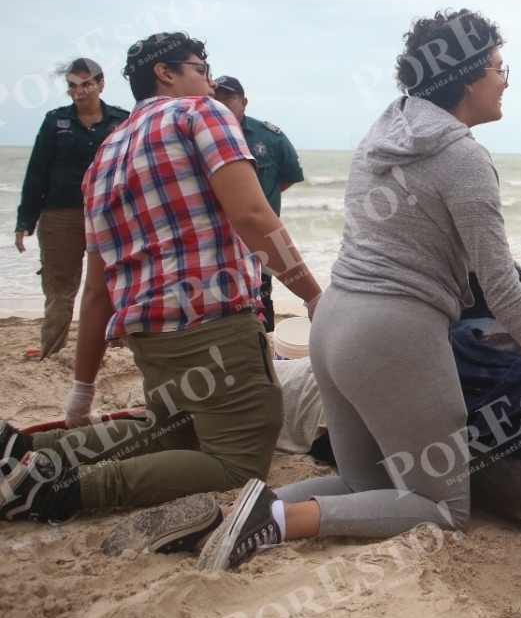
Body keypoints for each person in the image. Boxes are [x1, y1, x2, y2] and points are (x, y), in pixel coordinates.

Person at [188, 10, 521, 572]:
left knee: (370, 486)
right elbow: (501, 287)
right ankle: (279, 521)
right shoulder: (463, 157)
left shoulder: (385, 128)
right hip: (394, 338)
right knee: (440, 508)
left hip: (333, 322)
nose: (505, 79)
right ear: (465, 78)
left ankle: (219, 521)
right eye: (497, 67)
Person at [1, 31, 324, 526]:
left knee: (172, 433)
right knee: (237, 461)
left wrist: (82, 389)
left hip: (150, 341)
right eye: (201, 68)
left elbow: (97, 289)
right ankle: (53, 492)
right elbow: (254, 218)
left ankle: (24, 448)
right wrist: (312, 294)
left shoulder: (103, 157)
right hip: (214, 328)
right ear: (165, 73)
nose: (210, 81)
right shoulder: (200, 113)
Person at [14, 58, 129, 359]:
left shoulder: (122, 121)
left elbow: (134, 168)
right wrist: (25, 220)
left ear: (101, 84)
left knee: (116, 284)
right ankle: (51, 353)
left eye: (86, 84)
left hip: (110, 215)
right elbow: (36, 172)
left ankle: (119, 351)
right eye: (72, 86)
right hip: (60, 215)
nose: (79, 91)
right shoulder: (55, 122)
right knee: (59, 288)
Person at [213, 76, 305, 332]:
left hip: (257, 241)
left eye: (228, 98)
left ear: (244, 102)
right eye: (215, 98)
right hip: (214, 243)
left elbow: (288, 178)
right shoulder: (198, 135)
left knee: (261, 301)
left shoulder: (270, 137)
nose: (221, 104)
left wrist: (254, 201)